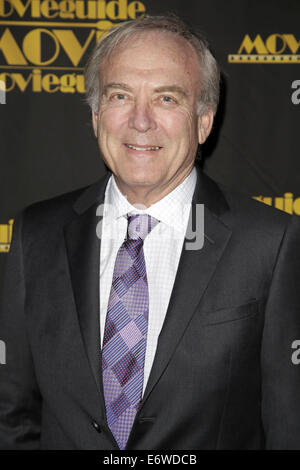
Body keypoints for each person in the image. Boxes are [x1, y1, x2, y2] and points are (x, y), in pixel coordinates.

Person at [0, 14, 300, 451]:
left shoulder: (271, 243)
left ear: (203, 121)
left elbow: (288, 428)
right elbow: (12, 417)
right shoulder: (35, 234)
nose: (140, 121)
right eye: (121, 95)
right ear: (97, 114)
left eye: (166, 99)